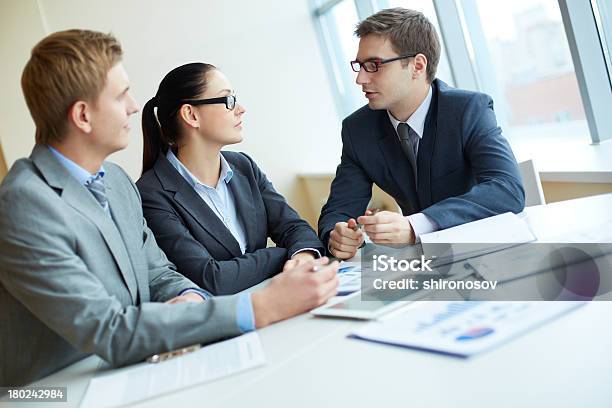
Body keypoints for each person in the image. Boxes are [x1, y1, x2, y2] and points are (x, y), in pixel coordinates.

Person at [0, 29, 338, 387]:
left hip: (131, 370)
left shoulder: (115, 181)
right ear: (83, 116)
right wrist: (262, 307)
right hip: (54, 391)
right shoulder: (24, 204)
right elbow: (109, 330)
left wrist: (186, 297)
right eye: (121, 96)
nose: (133, 105)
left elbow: (159, 274)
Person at [318, 8, 525, 259]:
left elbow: (507, 189)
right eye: (360, 66)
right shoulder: (358, 129)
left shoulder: (468, 109)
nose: (360, 79)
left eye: (373, 65)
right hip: (425, 263)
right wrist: (336, 235)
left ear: (417, 65)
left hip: (486, 251)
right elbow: (339, 209)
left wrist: (416, 225)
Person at [136, 63, 324, 295]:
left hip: (279, 299)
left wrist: (302, 255)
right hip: (228, 321)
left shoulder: (243, 166)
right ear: (191, 115)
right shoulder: (151, 194)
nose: (241, 109)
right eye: (228, 101)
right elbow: (211, 279)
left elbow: (294, 227)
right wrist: (284, 254)